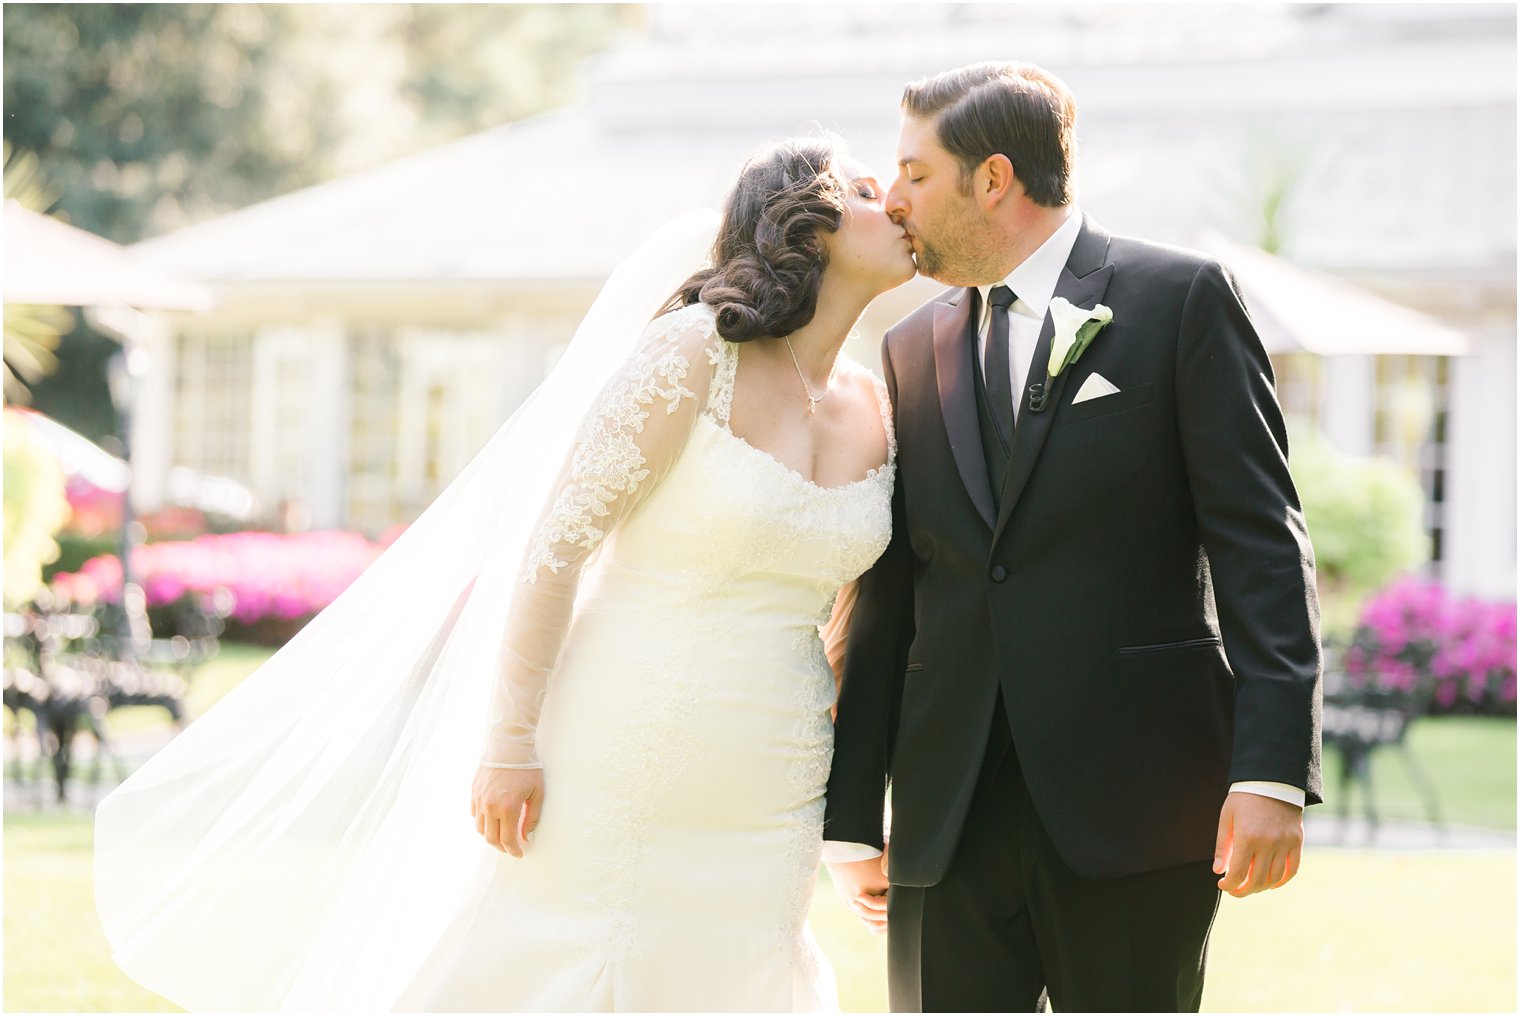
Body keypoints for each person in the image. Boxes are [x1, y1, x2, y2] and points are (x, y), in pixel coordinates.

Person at [93, 136, 916, 1013]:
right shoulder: (692, 356)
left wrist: (845, 831)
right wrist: (510, 741)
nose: (897, 202)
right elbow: (557, 547)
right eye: (868, 191)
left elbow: (848, 626)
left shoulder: (878, 408)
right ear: (807, 227)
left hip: (773, 777)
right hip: (618, 744)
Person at [822, 61, 1324, 1012]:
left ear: (994, 179)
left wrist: (1272, 772)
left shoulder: (1180, 299)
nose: (891, 201)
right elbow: (894, 589)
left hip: (1136, 804)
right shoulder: (907, 346)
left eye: (914, 174)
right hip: (948, 818)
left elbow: (1263, 545)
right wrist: (853, 819)